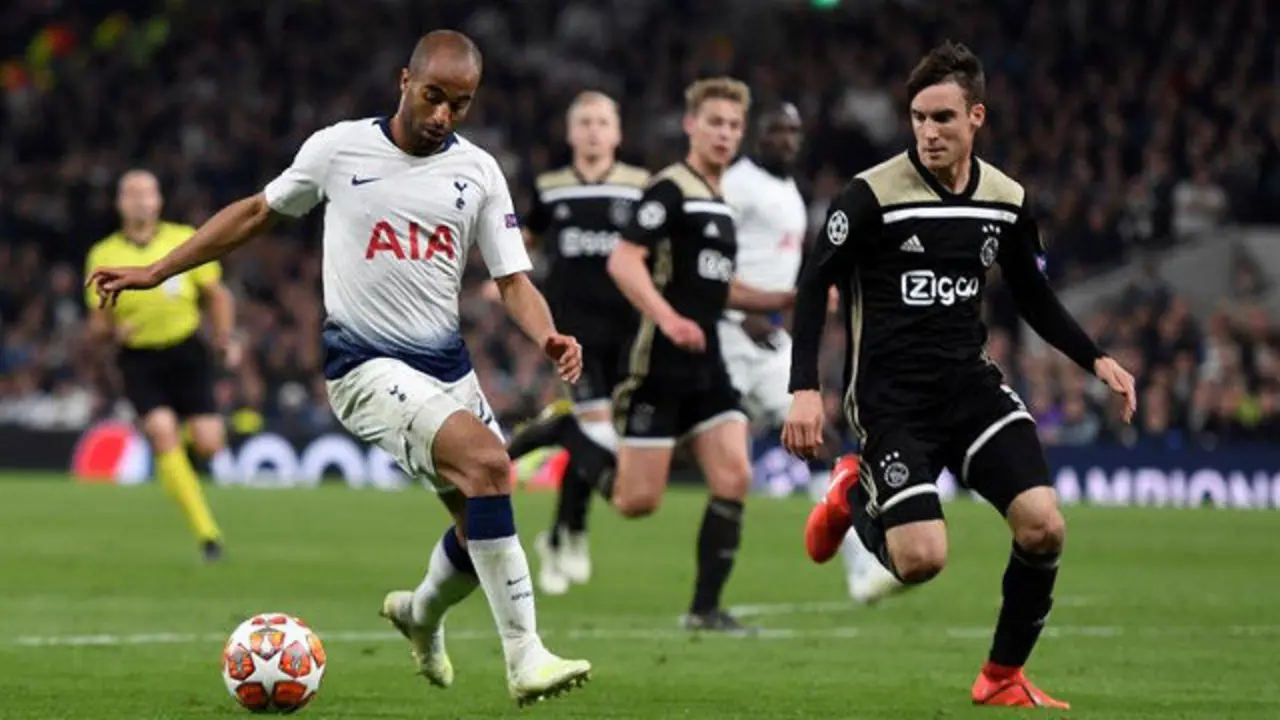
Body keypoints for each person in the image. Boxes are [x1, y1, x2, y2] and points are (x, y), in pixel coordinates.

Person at [88, 30, 591, 706]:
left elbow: (512, 281)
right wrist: (156, 270)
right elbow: (257, 213)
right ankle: (525, 657)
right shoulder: (338, 149)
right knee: (493, 467)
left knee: (482, 526)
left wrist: (548, 333)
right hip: (363, 365)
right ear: (403, 81)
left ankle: (419, 613)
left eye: (460, 104)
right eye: (433, 96)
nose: (443, 114)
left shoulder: (479, 172)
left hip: (447, 369)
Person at [783, 41, 1137, 709]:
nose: (928, 132)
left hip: (971, 389)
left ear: (976, 117)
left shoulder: (1005, 198)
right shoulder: (869, 196)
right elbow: (813, 287)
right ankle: (847, 495)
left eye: (943, 118)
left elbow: (1031, 295)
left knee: (1044, 526)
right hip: (893, 403)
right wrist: (806, 388)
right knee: (920, 561)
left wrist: (1097, 358)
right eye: (918, 117)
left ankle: (1001, 676)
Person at [598, 77, 794, 631]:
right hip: (658, 360)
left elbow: (719, 286)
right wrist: (670, 318)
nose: (725, 134)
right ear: (691, 125)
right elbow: (624, 261)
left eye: (734, 126)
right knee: (637, 502)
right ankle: (566, 440)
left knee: (734, 476)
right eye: (715, 123)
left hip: (708, 366)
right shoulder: (670, 189)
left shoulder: (721, 202)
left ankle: (705, 610)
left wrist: (782, 297)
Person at [719, 103, 899, 604]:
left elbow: (784, 267)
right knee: (684, 465)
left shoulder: (792, 193)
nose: (787, 139)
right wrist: (739, 311)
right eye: (777, 130)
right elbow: (710, 258)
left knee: (822, 438)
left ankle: (862, 570)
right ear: (756, 134)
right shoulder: (735, 184)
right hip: (725, 339)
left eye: (794, 131)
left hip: (772, 343)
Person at [506, 91, 649, 596]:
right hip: (571, 335)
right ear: (571, 134)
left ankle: (565, 529)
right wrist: (501, 275)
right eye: (584, 122)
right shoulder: (550, 189)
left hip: (629, 333)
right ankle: (571, 530)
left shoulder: (640, 188)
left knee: (593, 433)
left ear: (617, 133)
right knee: (599, 434)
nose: (593, 130)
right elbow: (528, 240)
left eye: (602, 122)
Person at [84, 169, 239, 562]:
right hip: (139, 358)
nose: (140, 200)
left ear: (159, 201)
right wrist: (113, 332)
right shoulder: (103, 254)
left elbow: (215, 295)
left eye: (147, 193)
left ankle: (176, 462)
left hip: (187, 351)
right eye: (132, 193)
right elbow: (98, 325)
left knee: (209, 442)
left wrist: (224, 337)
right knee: (161, 430)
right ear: (120, 203)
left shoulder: (183, 239)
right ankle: (208, 534)